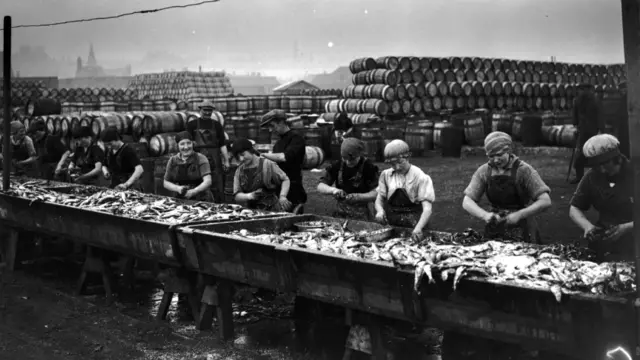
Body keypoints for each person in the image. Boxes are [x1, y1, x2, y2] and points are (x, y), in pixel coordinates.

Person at [462, 131, 551, 243]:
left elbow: (545, 201)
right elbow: (467, 201)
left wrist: (520, 214)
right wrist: (485, 215)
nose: (495, 160)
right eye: (491, 156)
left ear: (508, 150)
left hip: (523, 228)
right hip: (495, 226)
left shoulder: (524, 171)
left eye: (499, 155)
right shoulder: (484, 171)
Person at [569, 134, 633, 262]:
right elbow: (574, 208)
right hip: (604, 240)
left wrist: (627, 227)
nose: (602, 170)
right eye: (597, 166)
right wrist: (587, 226)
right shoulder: (592, 176)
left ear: (617, 159)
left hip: (634, 242)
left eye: (605, 164)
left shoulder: (635, 173)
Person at [374, 139, 434, 240]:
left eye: (400, 162)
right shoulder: (386, 175)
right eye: (392, 164)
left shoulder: (420, 177)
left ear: (407, 157)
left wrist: (418, 228)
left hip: (415, 224)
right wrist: (379, 210)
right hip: (393, 225)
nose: (397, 167)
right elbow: (379, 199)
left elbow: (427, 209)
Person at [317, 137, 380, 221]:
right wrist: (333, 190)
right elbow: (320, 186)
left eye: (352, 159)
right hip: (340, 214)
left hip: (362, 215)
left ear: (359, 155)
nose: (347, 162)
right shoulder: (337, 165)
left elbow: (377, 192)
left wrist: (359, 197)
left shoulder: (369, 167)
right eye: (344, 158)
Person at [260, 109, 306, 213]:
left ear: (281, 122)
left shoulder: (296, 139)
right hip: (279, 189)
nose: (271, 130)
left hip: (293, 190)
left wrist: (262, 155)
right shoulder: (278, 144)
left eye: (272, 126)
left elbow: (284, 157)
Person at [231, 138, 292, 212]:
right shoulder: (239, 171)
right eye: (238, 157)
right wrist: (250, 196)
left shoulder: (268, 165)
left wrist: (283, 196)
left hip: (272, 210)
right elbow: (237, 195)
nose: (241, 159)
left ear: (251, 150)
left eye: (242, 154)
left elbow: (285, 179)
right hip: (251, 212)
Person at [186, 100, 230, 203]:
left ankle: (219, 205)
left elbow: (222, 144)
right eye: (205, 110)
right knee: (198, 181)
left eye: (209, 110)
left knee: (217, 183)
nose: (207, 112)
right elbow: (187, 143)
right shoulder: (191, 125)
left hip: (215, 158)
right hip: (197, 157)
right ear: (200, 110)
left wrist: (226, 161)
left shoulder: (217, 125)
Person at [163, 131, 214, 202]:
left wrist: (194, 191)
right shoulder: (173, 160)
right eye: (182, 144)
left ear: (193, 143)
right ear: (177, 145)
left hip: (202, 198)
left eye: (188, 143)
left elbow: (208, 181)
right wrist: (177, 188)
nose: (186, 147)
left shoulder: (201, 158)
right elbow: (166, 183)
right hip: (181, 198)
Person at [572, 83, 604, 184]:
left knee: (586, 153)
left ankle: (582, 177)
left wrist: (576, 125)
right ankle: (586, 177)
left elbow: (575, 117)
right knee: (591, 153)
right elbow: (600, 115)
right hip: (590, 130)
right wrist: (601, 129)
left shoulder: (579, 100)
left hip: (588, 130)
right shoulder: (594, 100)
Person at [100, 126, 144, 190]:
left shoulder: (128, 150)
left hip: (129, 186)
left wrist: (126, 184)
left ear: (117, 139)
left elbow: (140, 169)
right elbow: (104, 164)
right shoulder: (109, 150)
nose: (109, 147)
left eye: (110, 144)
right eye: (106, 145)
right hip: (115, 185)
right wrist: (105, 172)